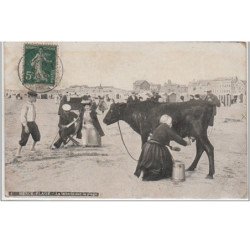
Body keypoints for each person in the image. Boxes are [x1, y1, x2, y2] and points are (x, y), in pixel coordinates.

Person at [134, 114, 191, 181]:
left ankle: (147, 175)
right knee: (164, 168)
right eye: (170, 122)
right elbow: (177, 138)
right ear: (167, 122)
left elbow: (160, 139)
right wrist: (186, 143)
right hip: (155, 148)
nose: (171, 124)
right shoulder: (166, 127)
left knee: (150, 166)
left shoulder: (159, 127)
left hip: (148, 147)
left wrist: (171, 147)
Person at [16, 91, 41, 157]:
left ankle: (32, 147)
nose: (36, 99)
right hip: (27, 124)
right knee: (24, 138)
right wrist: (25, 126)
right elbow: (23, 116)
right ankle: (18, 152)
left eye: (36, 97)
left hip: (33, 123)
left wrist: (33, 122)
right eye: (34, 97)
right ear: (29, 97)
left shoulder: (32, 105)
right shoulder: (25, 105)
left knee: (37, 136)